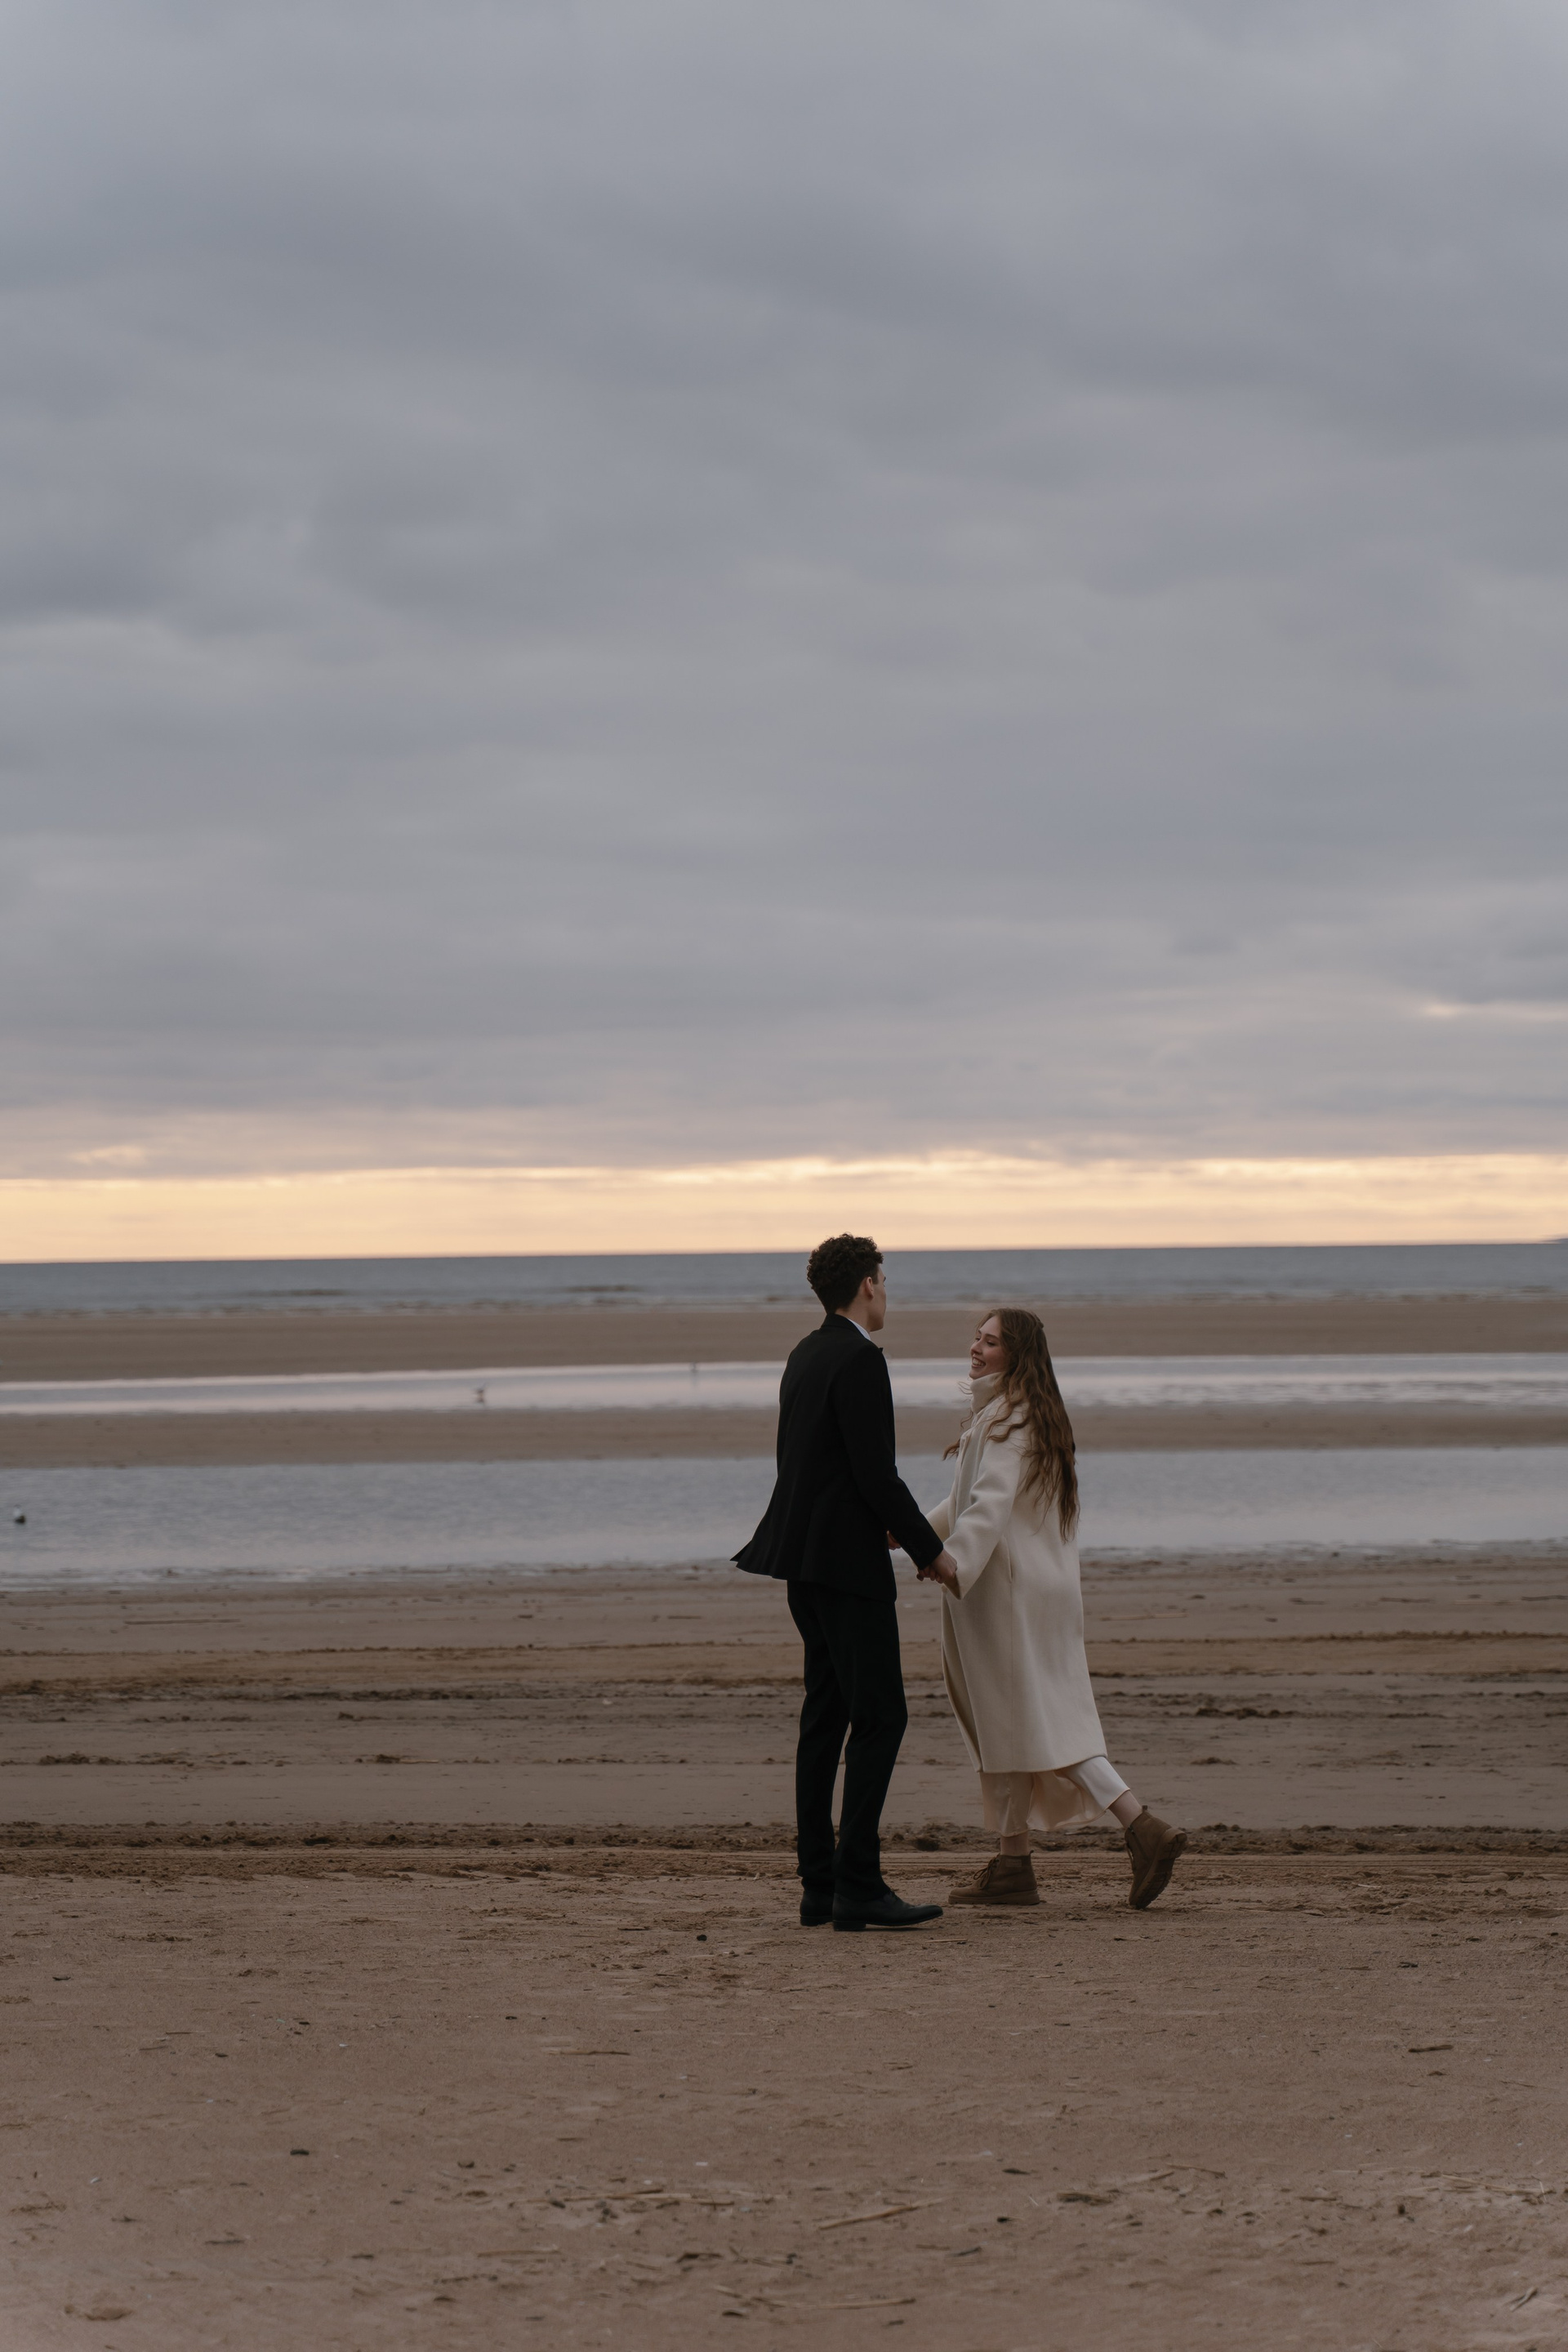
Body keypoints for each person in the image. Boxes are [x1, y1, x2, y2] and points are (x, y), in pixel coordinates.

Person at [914, 1307, 1186, 1910]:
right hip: (1038, 1589)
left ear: (1017, 1355)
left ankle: (1143, 1827)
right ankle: (1013, 1864)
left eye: (990, 1342)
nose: (975, 1348)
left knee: (1040, 1724)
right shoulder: (1019, 1413)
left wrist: (951, 1561)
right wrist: (913, 1534)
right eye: (976, 1338)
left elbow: (987, 1504)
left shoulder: (1008, 1420)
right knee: (1012, 1724)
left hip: (1007, 1594)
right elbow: (965, 1499)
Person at [735, 1233, 958, 1932]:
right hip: (844, 1568)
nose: (886, 1293)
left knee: (826, 1715)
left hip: (802, 1562)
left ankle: (819, 1883)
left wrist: (887, 1527)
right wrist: (931, 1551)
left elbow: (817, 1465)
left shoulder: (805, 1353)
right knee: (881, 1716)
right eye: (883, 1281)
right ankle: (857, 1882)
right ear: (866, 1285)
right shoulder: (860, 1359)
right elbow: (874, 1474)